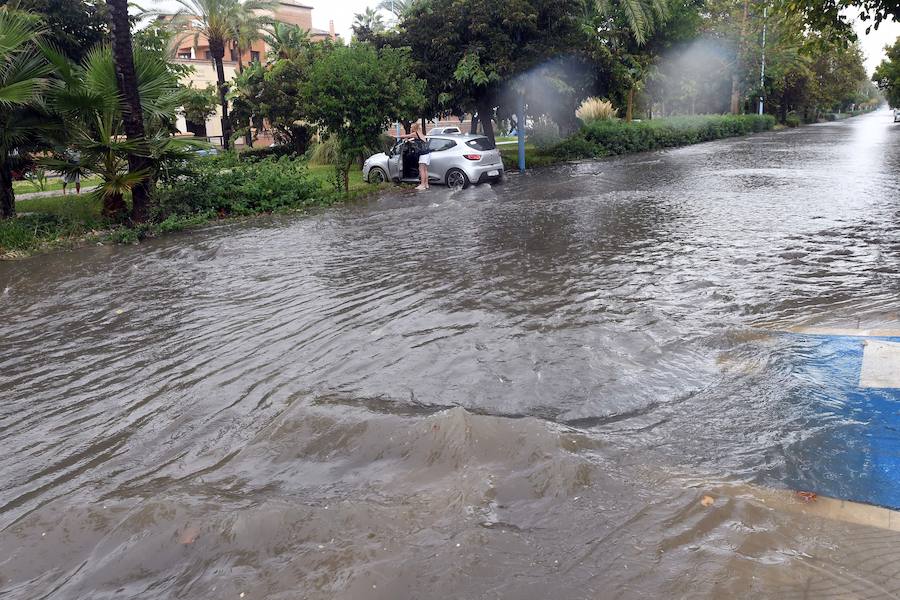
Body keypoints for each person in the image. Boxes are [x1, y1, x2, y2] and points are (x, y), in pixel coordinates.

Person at [399, 123, 430, 190]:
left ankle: (422, 185)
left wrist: (395, 136)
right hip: (427, 153)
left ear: (414, 128)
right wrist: (409, 142)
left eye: (412, 127)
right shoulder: (420, 133)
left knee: (421, 169)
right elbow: (419, 142)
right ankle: (426, 184)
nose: (411, 128)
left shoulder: (415, 133)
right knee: (425, 170)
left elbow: (406, 136)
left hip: (423, 154)